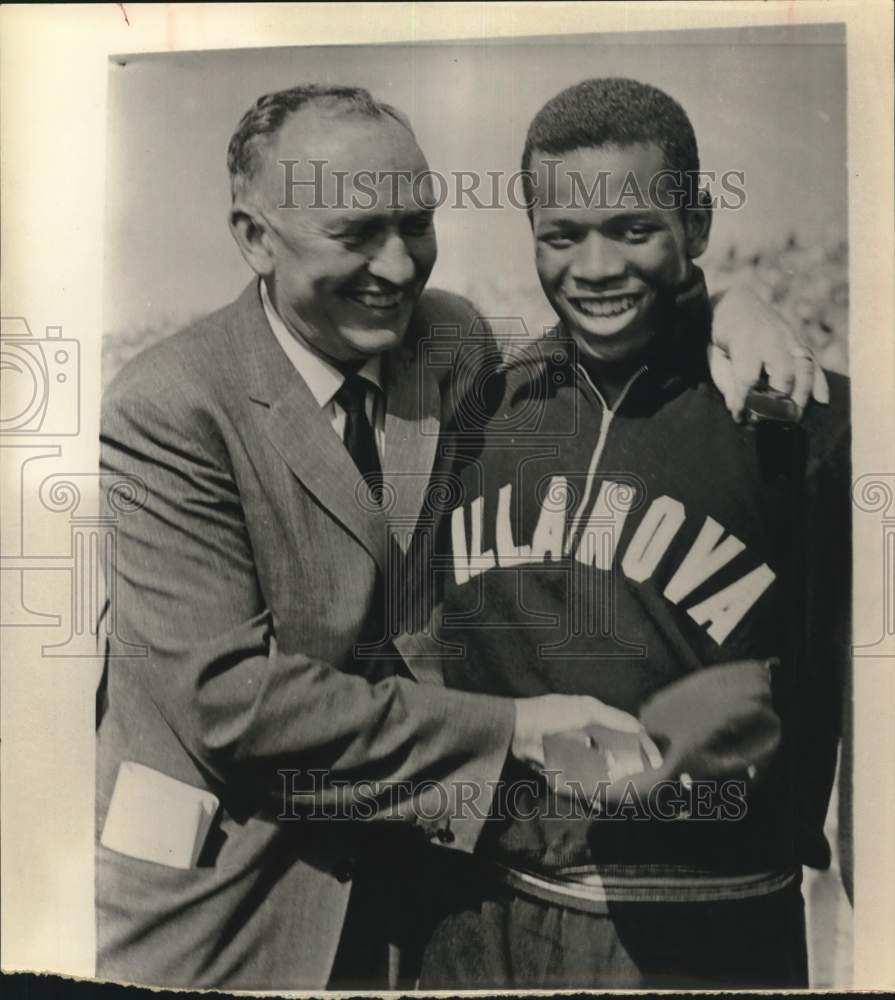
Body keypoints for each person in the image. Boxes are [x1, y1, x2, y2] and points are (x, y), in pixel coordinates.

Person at [96, 83, 827, 990]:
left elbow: (616, 310)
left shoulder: (449, 342)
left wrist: (725, 305)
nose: (399, 268)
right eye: (357, 234)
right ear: (254, 237)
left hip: (420, 891)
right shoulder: (169, 404)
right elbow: (230, 702)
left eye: (416, 225)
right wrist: (515, 728)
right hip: (232, 893)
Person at [413, 77, 850, 989]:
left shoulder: (805, 425)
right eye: (562, 237)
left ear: (695, 227)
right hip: (487, 909)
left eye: (634, 229)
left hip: (709, 920)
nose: (596, 267)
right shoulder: (487, 410)